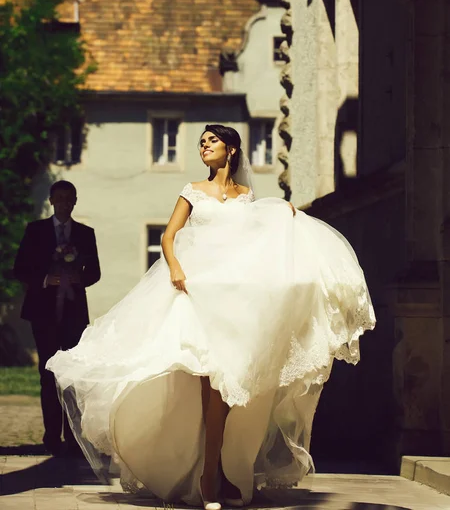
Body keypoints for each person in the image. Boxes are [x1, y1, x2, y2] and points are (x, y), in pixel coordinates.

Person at [47, 126, 375, 508]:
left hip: (234, 302)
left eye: (211, 141)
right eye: (201, 141)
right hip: (196, 295)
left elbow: (255, 237)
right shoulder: (191, 191)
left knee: (229, 391)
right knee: (211, 387)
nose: (203, 146)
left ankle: (218, 471)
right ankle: (208, 480)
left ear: (231, 150)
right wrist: (174, 268)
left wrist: (281, 213)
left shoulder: (246, 197)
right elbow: (169, 236)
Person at [14, 180, 101, 456]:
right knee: (48, 374)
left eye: (69, 198)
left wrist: (80, 278)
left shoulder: (85, 234)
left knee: (72, 375)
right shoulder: (35, 231)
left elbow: (95, 272)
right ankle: (51, 435)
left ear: (75, 202)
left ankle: (73, 437)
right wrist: (44, 279)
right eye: (59, 198)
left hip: (74, 315)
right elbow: (20, 269)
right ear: (51, 200)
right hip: (44, 314)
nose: (64, 203)